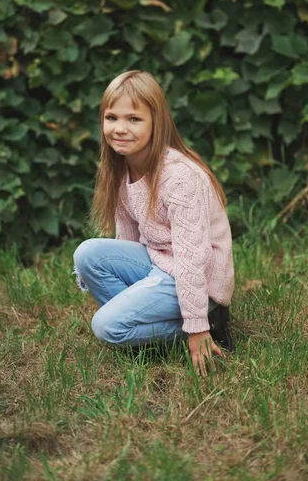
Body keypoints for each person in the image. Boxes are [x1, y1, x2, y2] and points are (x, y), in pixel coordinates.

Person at [73, 70, 234, 377]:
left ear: (156, 123)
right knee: (87, 254)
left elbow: (191, 259)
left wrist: (196, 327)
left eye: (134, 119)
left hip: (196, 276)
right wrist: (138, 291)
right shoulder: (122, 167)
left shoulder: (180, 177)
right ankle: (147, 327)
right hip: (157, 264)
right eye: (112, 118)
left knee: (105, 326)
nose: (120, 129)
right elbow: (128, 238)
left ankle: (206, 326)